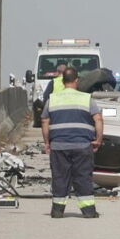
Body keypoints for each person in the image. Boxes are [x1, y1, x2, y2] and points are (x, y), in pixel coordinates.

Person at [41, 67, 103, 218]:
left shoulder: (52, 99)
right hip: (82, 145)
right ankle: (88, 211)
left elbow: (44, 120)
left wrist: (47, 142)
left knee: (60, 177)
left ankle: (57, 211)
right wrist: (98, 140)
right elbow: (98, 119)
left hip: (59, 146)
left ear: (62, 81)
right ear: (76, 80)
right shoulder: (87, 99)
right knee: (83, 177)